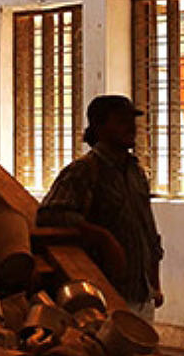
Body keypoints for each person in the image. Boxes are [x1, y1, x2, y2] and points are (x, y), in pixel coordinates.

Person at [37, 94, 165, 319]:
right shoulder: (85, 170)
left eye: (132, 121)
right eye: (121, 121)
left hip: (141, 292)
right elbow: (50, 214)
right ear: (99, 126)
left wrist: (155, 282)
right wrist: (101, 236)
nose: (131, 128)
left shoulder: (135, 172)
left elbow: (148, 230)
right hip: (105, 293)